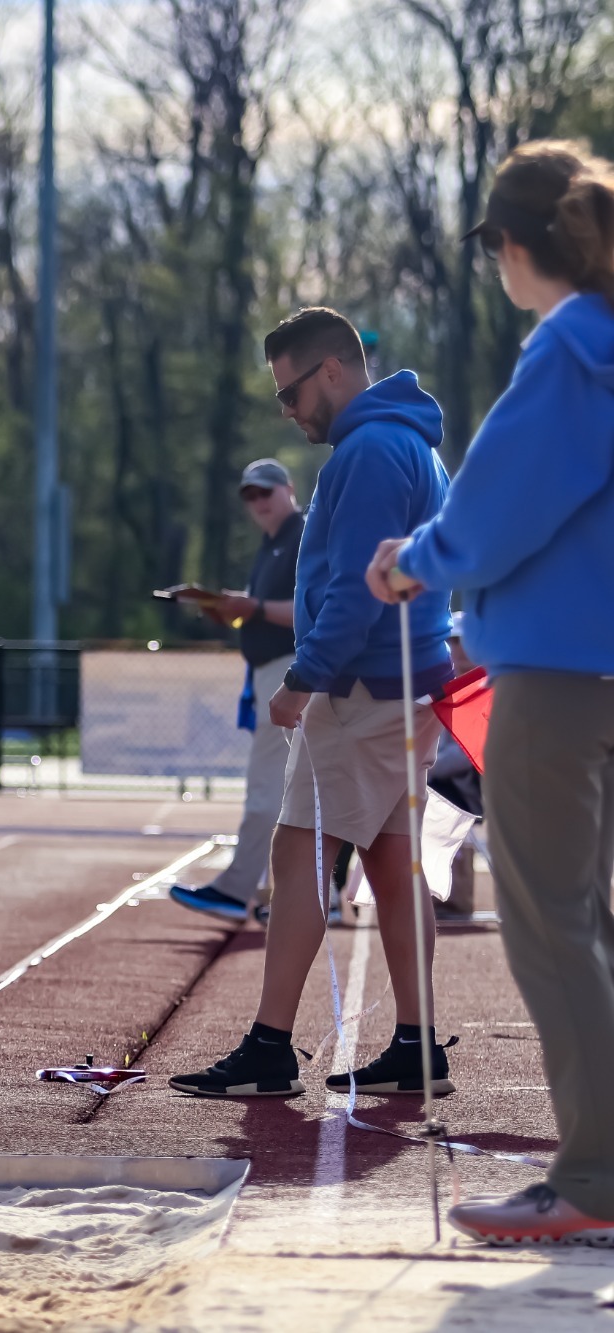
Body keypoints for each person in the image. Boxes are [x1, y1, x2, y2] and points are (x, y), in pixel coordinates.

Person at [365, 141, 614, 1245]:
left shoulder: (571, 347)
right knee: (591, 920)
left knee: (553, 925)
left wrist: (414, 560)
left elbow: (499, 506)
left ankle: (596, 1176)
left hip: (558, 675)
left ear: (512, 245)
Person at [170, 307, 454, 1099]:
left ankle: (269, 1046)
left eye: (290, 393)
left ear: (331, 369)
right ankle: (416, 1042)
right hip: (405, 682)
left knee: (298, 853)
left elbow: (358, 589)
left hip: (361, 686)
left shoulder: (367, 450)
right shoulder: (410, 442)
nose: (288, 411)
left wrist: (304, 678)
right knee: (392, 864)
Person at [170, 459, 304, 920]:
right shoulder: (273, 544)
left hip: (290, 670)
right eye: (250, 495)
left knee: (268, 788)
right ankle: (280, 893)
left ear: (289, 488)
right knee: (293, 790)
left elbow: (315, 607)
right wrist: (230, 610)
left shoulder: (302, 535)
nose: (258, 502)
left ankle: (238, 889)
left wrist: (254, 607)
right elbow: (266, 610)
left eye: (266, 491)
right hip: (276, 671)